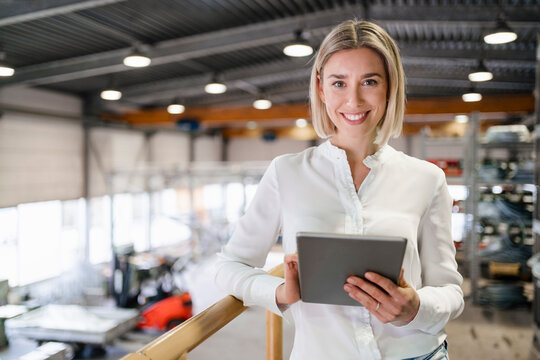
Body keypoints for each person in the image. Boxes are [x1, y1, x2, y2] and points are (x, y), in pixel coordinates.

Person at [214, 19, 464, 360]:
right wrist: (279, 293)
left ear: (390, 87)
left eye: (370, 82)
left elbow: (450, 290)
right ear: (320, 88)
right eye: (339, 83)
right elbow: (230, 266)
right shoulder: (286, 173)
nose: (354, 100)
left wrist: (416, 308)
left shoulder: (426, 178)